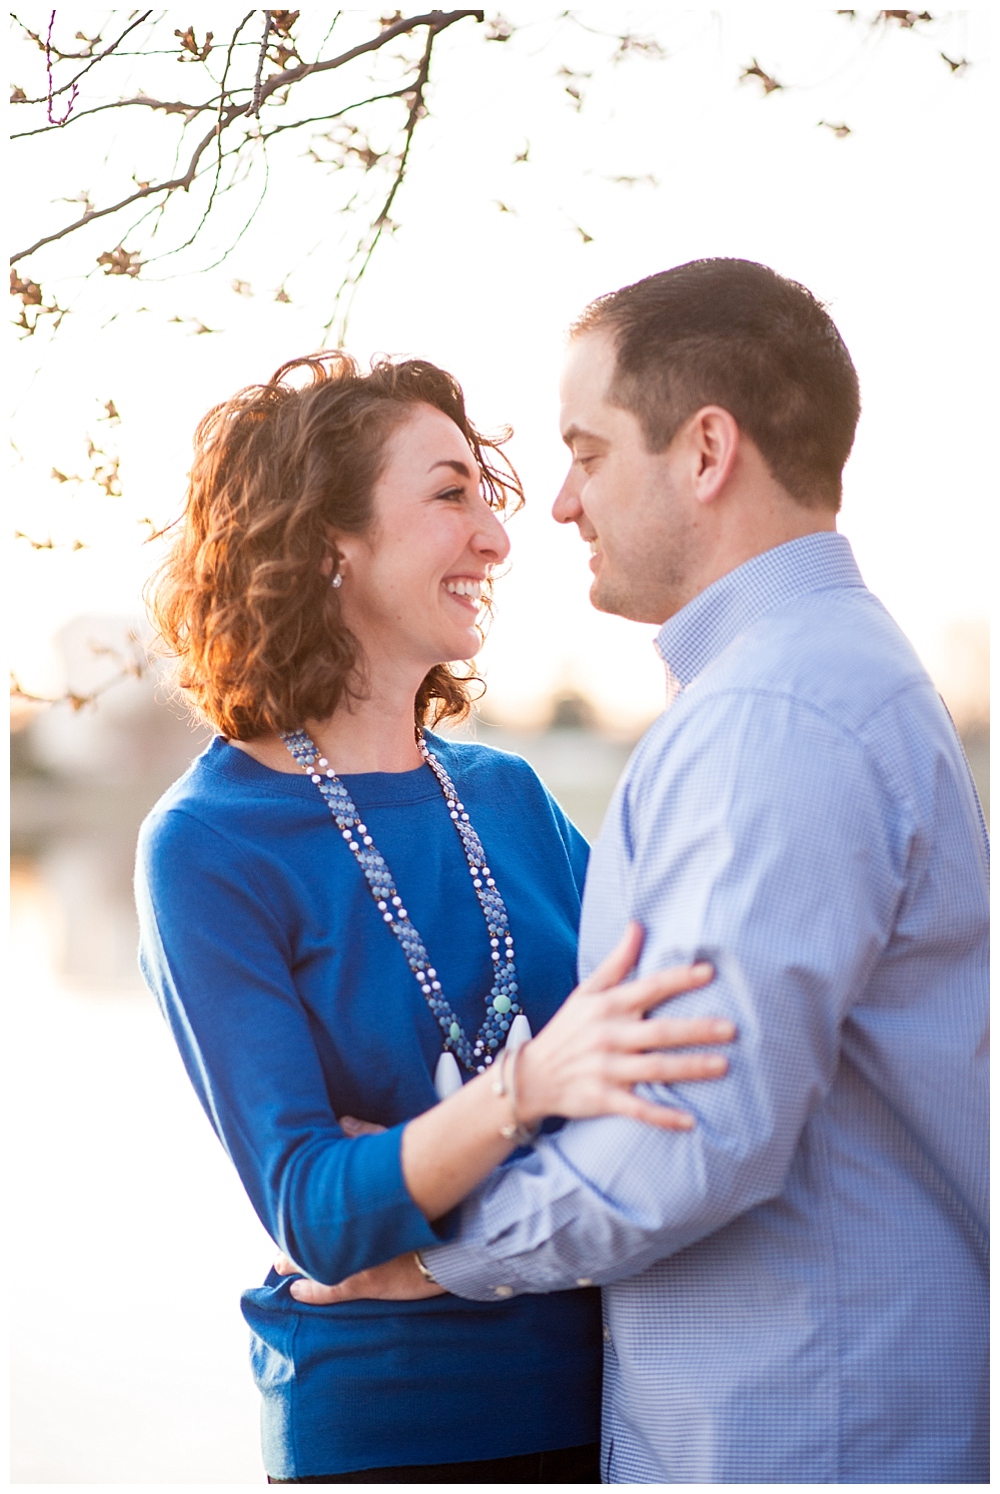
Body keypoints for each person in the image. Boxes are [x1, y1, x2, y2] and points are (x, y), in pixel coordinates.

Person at [290, 260, 990, 1484]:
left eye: (588, 450)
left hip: (803, 1440)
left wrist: (423, 1254)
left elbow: (688, 1137)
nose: (555, 504)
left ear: (705, 450)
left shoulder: (776, 715)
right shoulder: (800, 683)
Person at [134, 352, 736, 1484]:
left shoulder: (506, 796)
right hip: (393, 1431)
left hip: (623, 1403)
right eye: (449, 494)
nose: (498, 538)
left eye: (485, 496)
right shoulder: (208, 846)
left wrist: (415, 1185)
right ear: (327, 541)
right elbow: (315, 1211)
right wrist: (531, 1094)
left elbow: (668, 1058)